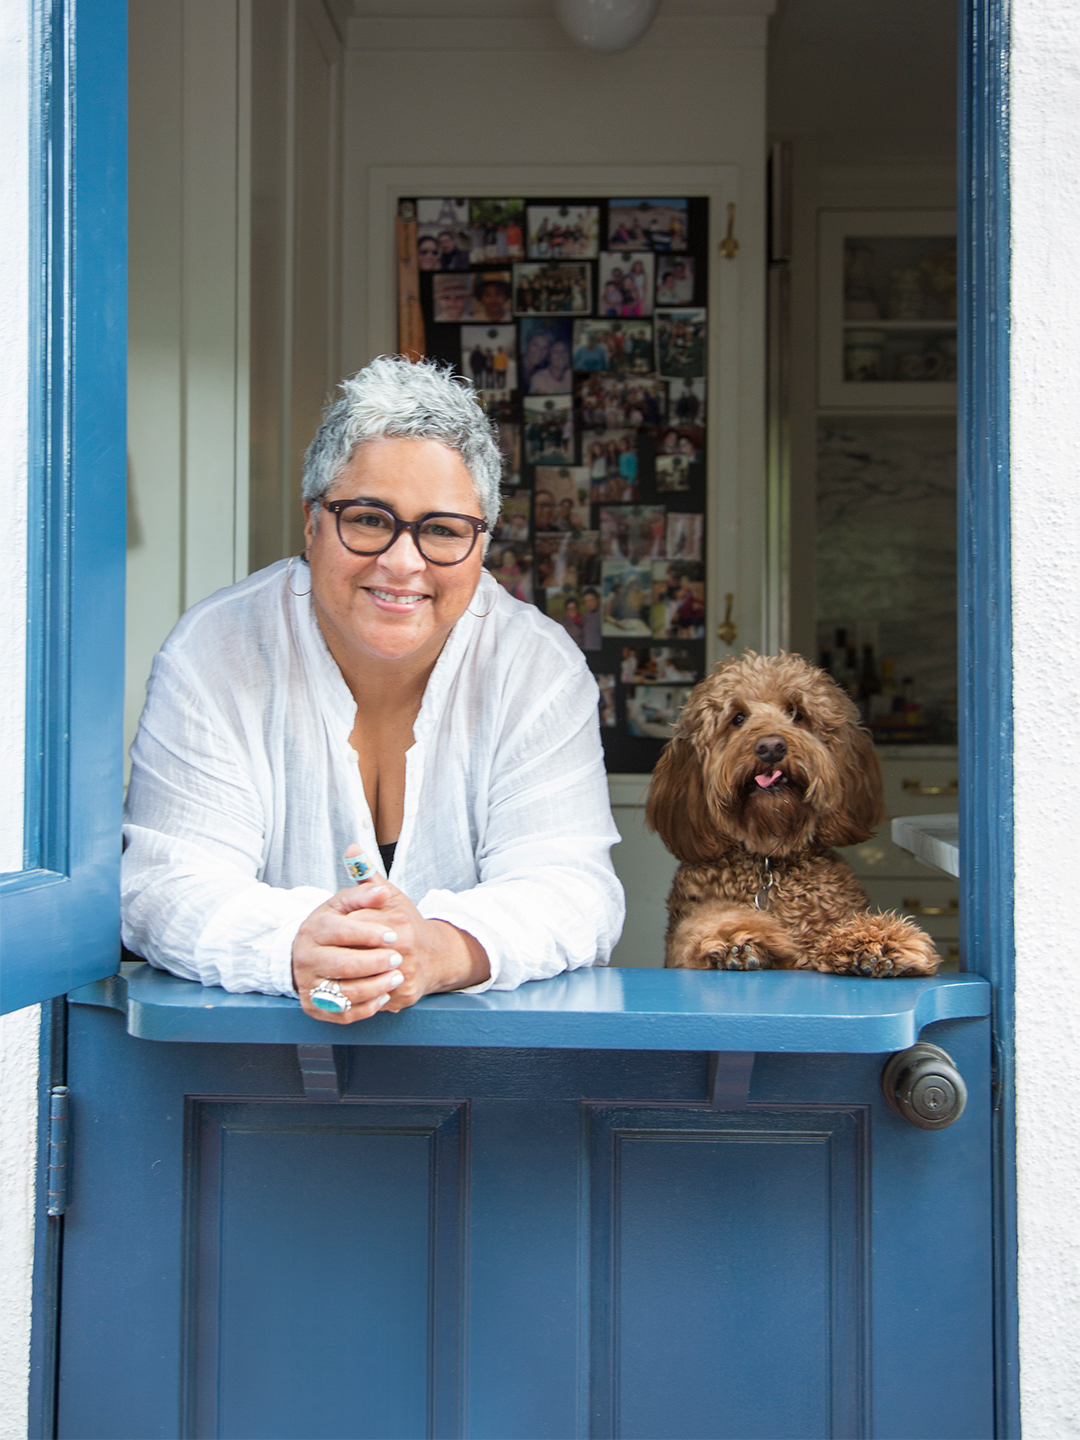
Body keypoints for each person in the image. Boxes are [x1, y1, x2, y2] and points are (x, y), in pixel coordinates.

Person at [122, 357, 624, 1022]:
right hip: (253, 1071)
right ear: (313, 522)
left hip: (483, 1078)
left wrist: (437, 950)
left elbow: (574, 890)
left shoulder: (537, 668)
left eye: (442, 529)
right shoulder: (214, 653)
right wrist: (300, 943)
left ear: (482, 544)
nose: (402, 562)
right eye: (368, 518)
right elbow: (165, 883)